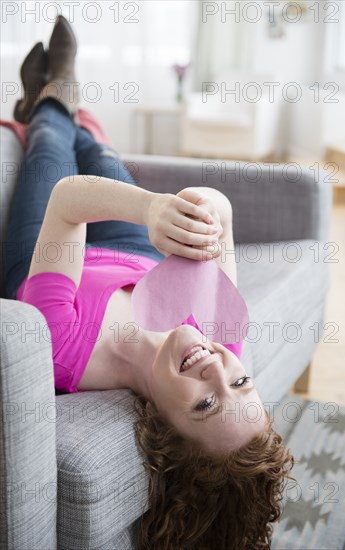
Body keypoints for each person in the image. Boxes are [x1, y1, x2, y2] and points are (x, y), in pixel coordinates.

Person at [4, 16, 295, 549]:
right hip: (134, 251)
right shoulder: (221, 337)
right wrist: (206, 209)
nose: (217, 369)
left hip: (49, 251)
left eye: (205, 404)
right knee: (103, 156)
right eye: (240, 382)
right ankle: (64, 101)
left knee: (49, 148)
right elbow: (223, 218)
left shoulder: (63, 352)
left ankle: (50, 99)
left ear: (159, 427)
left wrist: (151, 206)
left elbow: (69, 201)